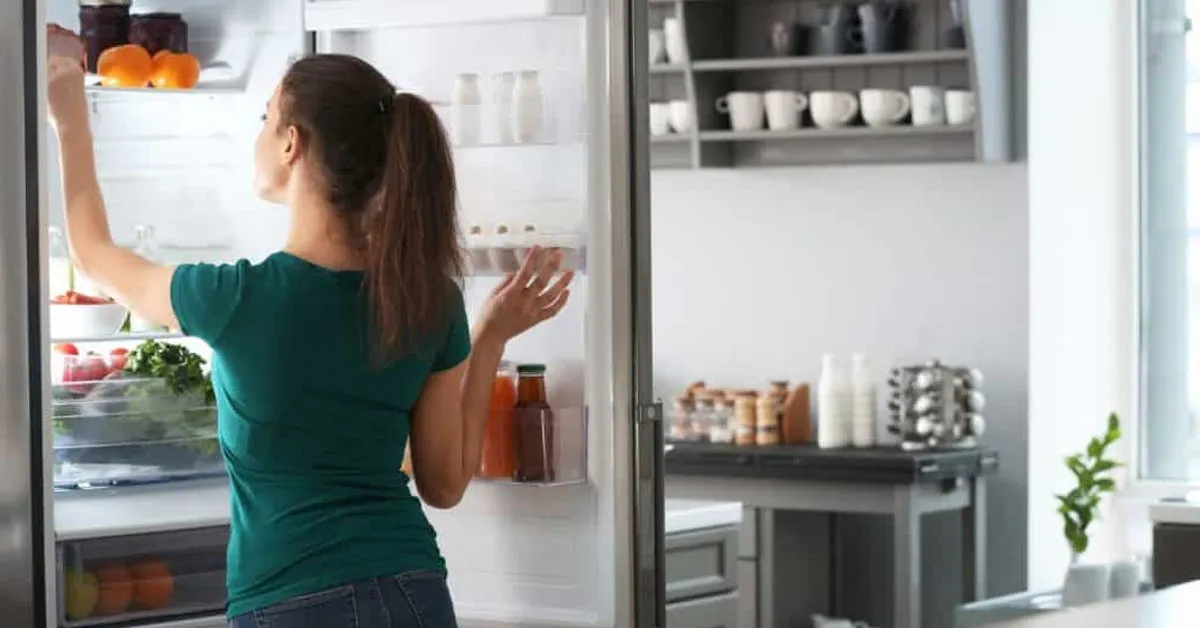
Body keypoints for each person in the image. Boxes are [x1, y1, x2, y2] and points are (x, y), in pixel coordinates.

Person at [46, 28, 573, 628]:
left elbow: (90, 253)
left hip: (292, 603)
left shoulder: (237, 298)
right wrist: (490, 342)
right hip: (413, 594)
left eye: (265, 118)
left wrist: (68, 113)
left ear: (291, 144)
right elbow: (445, 485)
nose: (259, 135)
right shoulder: (430, 299)